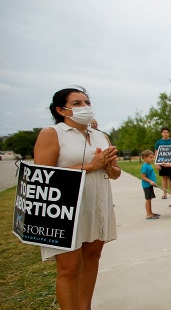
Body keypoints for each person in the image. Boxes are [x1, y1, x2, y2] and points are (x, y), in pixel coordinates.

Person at [33, 86, 121, 309]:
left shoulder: (101, 136)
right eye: (77, 103)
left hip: (97, 205)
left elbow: (115, 173)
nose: (85, 107)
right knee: (70, 267)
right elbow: (43, 176)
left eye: (87, 102)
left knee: (92, 258)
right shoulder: (52, 134)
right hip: (63, 209)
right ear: (61, 110)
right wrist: (92, 166)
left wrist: (109, 167)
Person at [155, 127, 171, 200]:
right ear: (161, 133)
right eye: (164, 132)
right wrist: (157, 163)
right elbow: (156, 153)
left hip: (170, 163)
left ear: (169, 133)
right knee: (164, 178)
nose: (165, 134)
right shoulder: (158, 142)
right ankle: (165, 193)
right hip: (162, 163)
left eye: (167, 132)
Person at [140, 150, 160, 219]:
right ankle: (148, 214)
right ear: (144, 158)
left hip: (150, 185)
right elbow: (143, 177)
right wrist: (150, 181)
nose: (152, 159)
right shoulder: (145, 166)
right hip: (147, 185)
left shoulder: (148, 165)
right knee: (148, 199)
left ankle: (151, 212)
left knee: (150, 199)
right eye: (150, 157)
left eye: (152, 157)